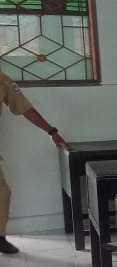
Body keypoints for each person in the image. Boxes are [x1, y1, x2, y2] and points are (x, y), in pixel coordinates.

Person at [0, 71, 67, 254]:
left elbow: (26, 109)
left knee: (2, 194)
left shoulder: (3, 80)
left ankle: (0, 238)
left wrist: (51, 132)